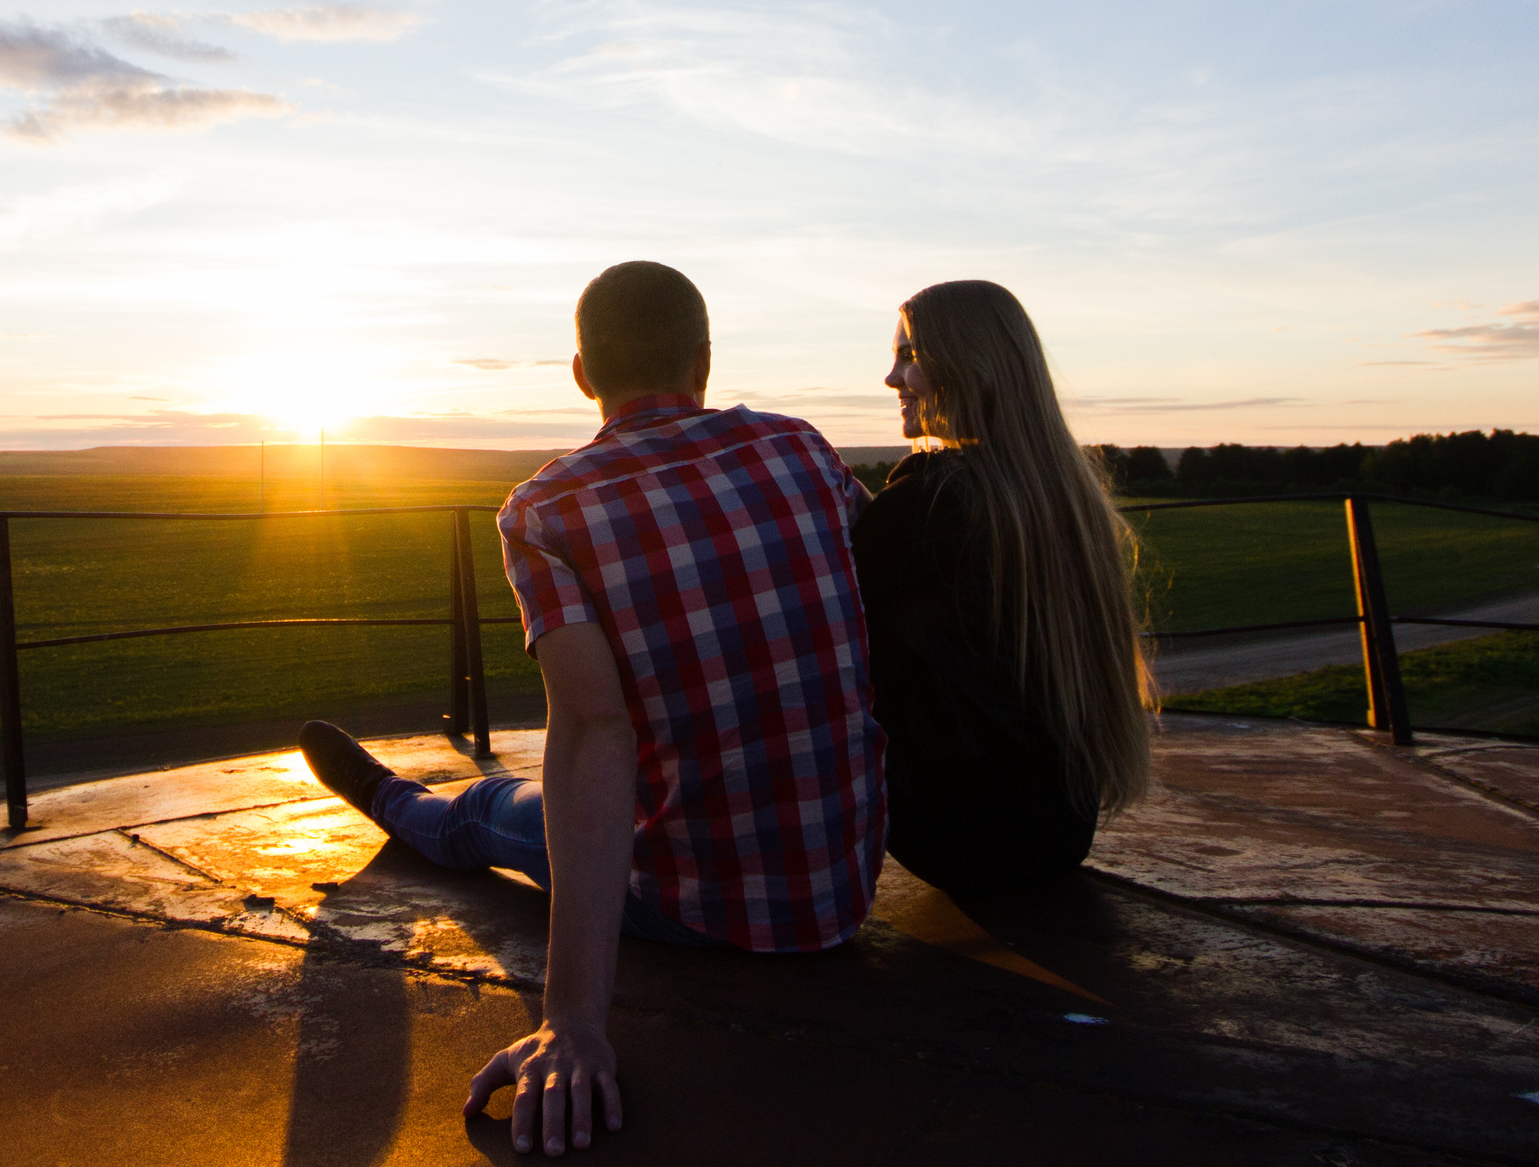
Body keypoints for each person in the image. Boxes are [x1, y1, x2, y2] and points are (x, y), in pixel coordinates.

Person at [299, 260, 883, 1157]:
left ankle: (392, 801)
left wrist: (570, 1021)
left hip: (698, 901)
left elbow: (593, 732)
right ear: (706, 359)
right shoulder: (800, 447)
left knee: (493, 809)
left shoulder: (546, 509)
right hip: (843, 887)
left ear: (581, 375)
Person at [853, 279, 1153, 897]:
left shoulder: (933, 504)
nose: (891, 378)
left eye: (908, 357)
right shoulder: (1057, 498)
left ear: (968, 368)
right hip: (1057, 831)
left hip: (957, 834)